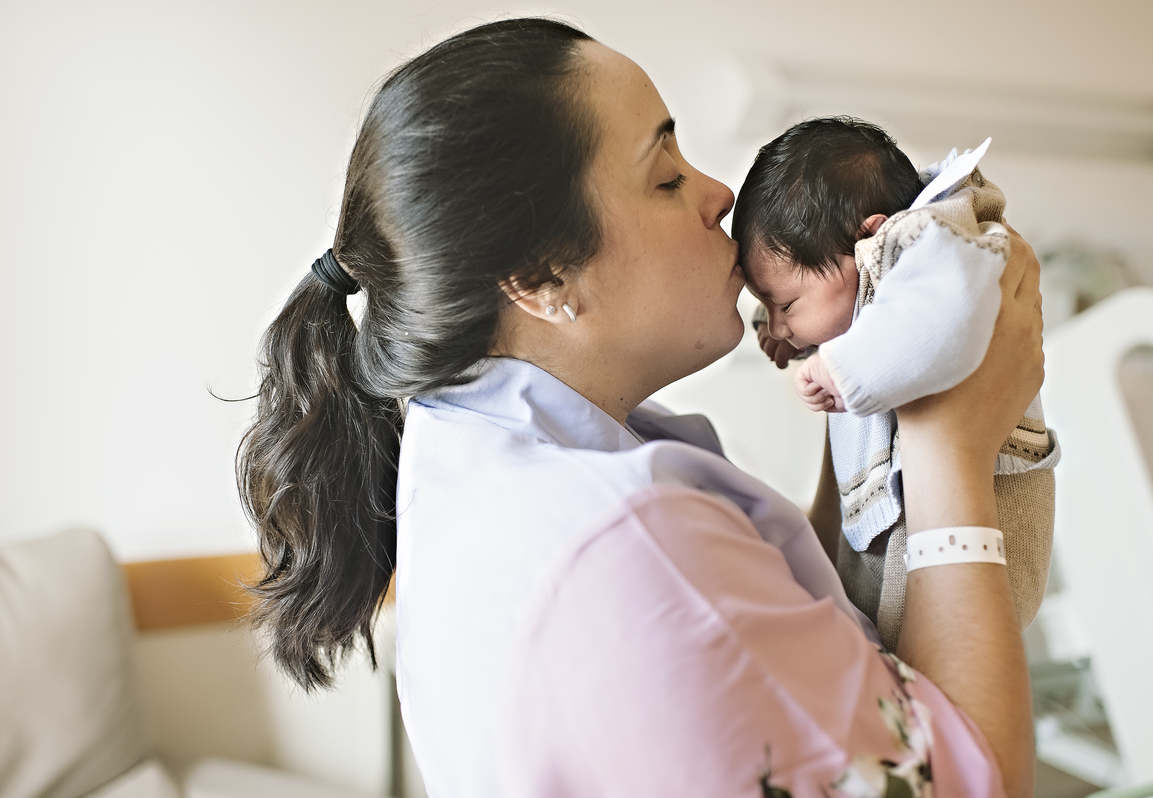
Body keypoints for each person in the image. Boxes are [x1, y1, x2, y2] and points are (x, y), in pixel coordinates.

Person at [236, 19, 1044, 798]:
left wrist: (864, 400)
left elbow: (809, 629)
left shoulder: (483, 451)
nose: (721, 193)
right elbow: (970, 781)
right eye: (666, 177)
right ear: (544, 276)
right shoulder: (630, 548)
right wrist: (950, 442)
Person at [730, 118, 1059, 649]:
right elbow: (874, 317)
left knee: (915, 651)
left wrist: (842, 367)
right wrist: (800, 336)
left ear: (869, 239)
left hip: (982, 535)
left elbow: (936, 321)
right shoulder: (867, 280)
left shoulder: (936, 240)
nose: (776, 323)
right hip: (905, 533)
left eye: (785, 305)